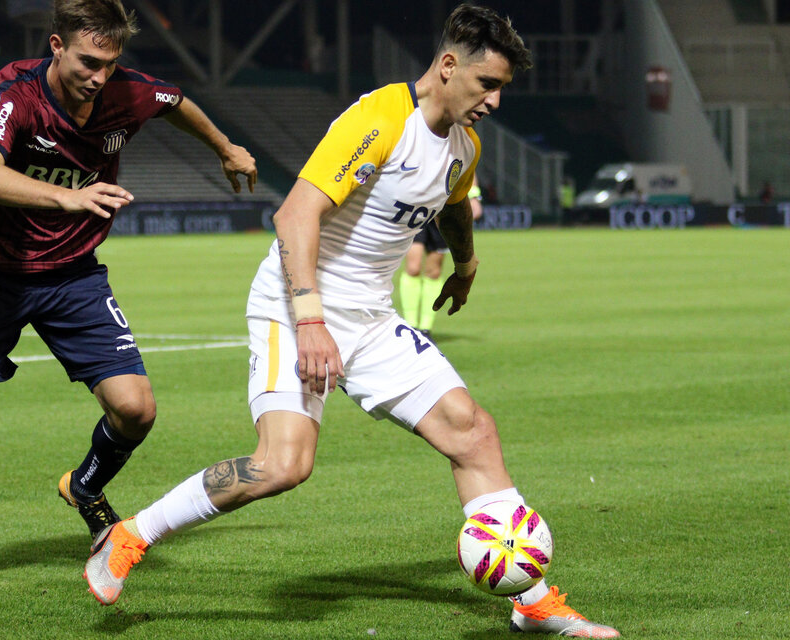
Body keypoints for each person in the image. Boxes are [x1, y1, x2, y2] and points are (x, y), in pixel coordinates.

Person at [83, 4, 620, 638]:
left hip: (368, 317)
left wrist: (467, 261)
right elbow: (294, 216)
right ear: (449, 66)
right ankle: (131, 534)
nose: (496, 101)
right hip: (294, 303)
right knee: (284, 465)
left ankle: (531, 601)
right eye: (488, 84)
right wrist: (310, 320)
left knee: (471, 431)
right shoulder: (379, 118)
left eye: (502, 88)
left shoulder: (463, 145)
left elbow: (452, 203)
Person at [0, 0, 257, 585]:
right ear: (56, 46)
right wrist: (67, 197)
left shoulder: (128, 91)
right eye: (87, 61)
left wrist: (224, 147)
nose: (99, 76)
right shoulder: (13, 92)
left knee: (136, 408)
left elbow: (176, 103)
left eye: (109, 62)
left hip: (72, 275)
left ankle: (85, 486)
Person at [399, 173, 482, 338]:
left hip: (443, 210)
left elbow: (468, 166)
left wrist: (473, 196)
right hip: (417, 207)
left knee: (434, 271)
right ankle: (411, 326)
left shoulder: (457, 147)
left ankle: (425, 328)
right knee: (413, 268)